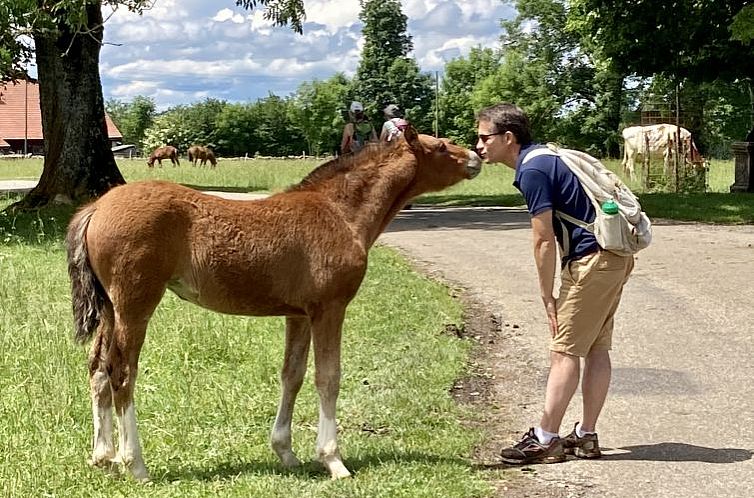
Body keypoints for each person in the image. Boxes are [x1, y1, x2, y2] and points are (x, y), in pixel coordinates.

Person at [475, 103, 634, 465]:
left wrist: (547, 294)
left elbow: (543, 238)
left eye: (485, 137)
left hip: (591, 261)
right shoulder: (548, 156)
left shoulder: (531, 169)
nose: (480, 145)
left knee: (564, 350)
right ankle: (585, 435)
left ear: (508, 138)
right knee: (595, 347)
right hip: (613, 255)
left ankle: (545, 438)